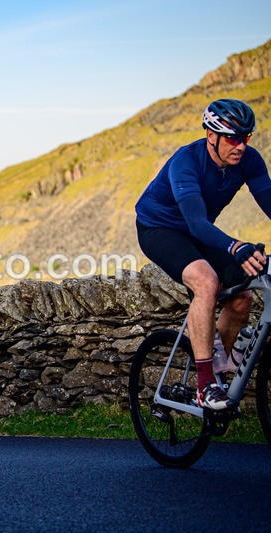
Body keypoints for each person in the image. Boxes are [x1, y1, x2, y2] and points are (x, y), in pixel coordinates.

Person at [135, 98, 271, 410]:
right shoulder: (187, 162)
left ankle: (221, 368)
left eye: (246, 138)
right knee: (206, 282)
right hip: (160, 229)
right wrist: (236, 247)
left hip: (199, 232)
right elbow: (195, 223)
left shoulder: (249, 160)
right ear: (212, 136)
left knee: (242, 297)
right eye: (233, 139)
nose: (240, 146)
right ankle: (204, 384)